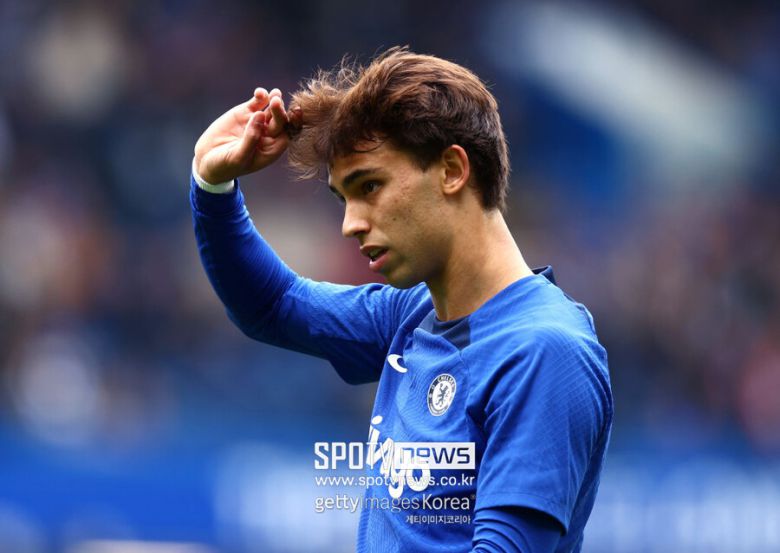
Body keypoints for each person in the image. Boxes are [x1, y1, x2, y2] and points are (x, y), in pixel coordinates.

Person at [190, 47, 613, 553]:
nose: (351, 224)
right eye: (343, 198)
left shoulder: (543, 352)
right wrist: (212, 183)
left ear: (452, 170)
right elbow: (274, 305)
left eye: (370, 186)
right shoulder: (414, 315)